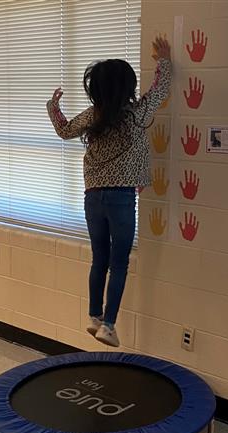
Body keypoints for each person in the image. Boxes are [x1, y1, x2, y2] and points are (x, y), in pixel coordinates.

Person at [47, 38, 172, 348]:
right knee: (120, 263)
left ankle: (93, 317)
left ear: (96, 89)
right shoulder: (137, 114)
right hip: (121, 198)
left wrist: (53, 106)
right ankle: (109, 325)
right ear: (127, 87)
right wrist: (165, 61)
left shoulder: (93, 115)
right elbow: (160, 90)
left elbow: (64, 131)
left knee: (99, 259)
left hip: (93, 197)